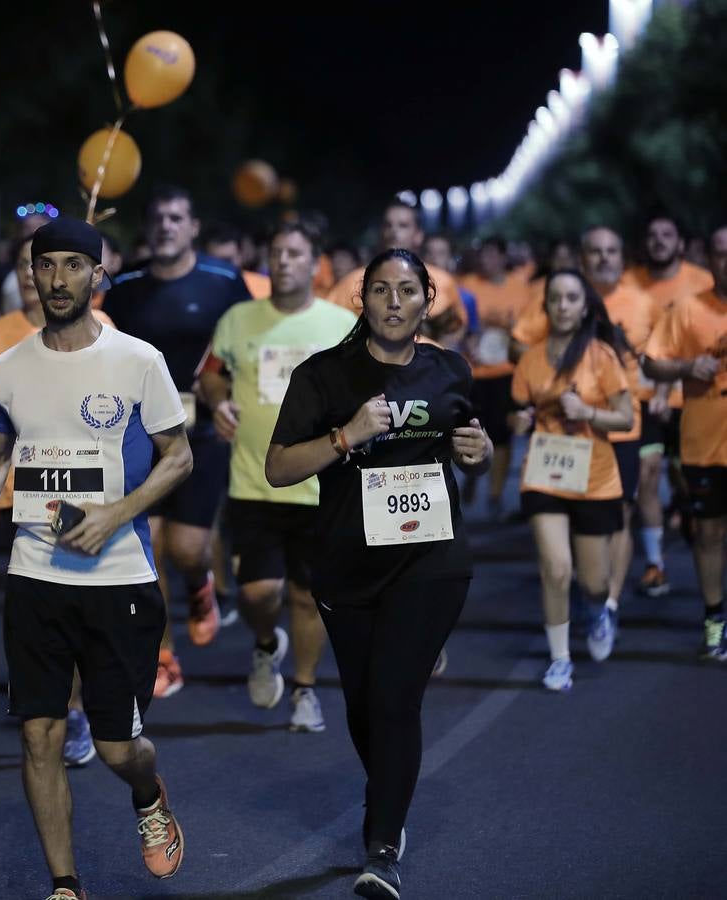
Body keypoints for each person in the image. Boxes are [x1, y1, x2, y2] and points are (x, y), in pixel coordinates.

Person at [0, 218, 190, 900]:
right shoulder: (9, 367)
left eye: (71, 266)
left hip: (119, 578)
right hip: (34, 575)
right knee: (39, 736)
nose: (56, 278)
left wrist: (117, 514)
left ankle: (148, 795)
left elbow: (180, 456)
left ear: (97, 275)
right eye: (45, 265)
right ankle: (64, 885)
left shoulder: (138, 361)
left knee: (119, 748)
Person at [267, 248, 489, 900]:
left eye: (408, 290)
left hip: (431, 559)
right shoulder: (324, 376)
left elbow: (468, 440)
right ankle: (388, 791)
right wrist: (346, 437)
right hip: (345, 561)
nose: (395, 302)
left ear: (428, 301)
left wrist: (479, 451)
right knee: (366, 706)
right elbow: (278, 468)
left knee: (395, 698)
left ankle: (382, 845)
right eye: (381, 290)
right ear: (361, 301)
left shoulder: (449, 368)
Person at [199, 221, 357, 730]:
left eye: (295, 253)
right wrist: (219, 403)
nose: (284, 261)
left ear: (315, 264)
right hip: (255, 480)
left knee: (307, 595)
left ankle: (305, 690)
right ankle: (267, 644)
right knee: (256, 594)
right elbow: (210, 374)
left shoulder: (340, 324)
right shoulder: (239, 318)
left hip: (320, 484)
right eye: (276, 252)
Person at [101, 186, 251, 698]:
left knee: (188, 549)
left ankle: (201, 585)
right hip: (140, 435)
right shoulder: (123, 287)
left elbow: (246, 345)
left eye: (177, 217)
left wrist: (233, 396)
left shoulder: (223, 281)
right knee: (150, 549)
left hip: (203, 432)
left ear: (192, 227)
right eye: (159, 217)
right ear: (149, 227)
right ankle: (164, 655)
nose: (167, 225)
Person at [513, 228, 657, 617]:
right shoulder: (557, 294)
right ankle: (577, 579)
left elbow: (658, 356)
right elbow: (519, 342)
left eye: (612, 251)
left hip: (621, 424)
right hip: (561, 435)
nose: (604, 258)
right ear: (582, 256)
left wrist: (664, 385)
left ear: (622, 255)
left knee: (621, 514)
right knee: (568, 520)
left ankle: (607, 599)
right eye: (595, 251)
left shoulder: (643, 300)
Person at [512, 269, 635, 690]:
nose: (563, 306)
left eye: (571, 299)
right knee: (556, 568)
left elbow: (626, 417)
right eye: (555, 298)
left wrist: (589, 413)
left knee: (593, 582)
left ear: (584, 308)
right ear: (544, 306)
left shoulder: (601, 355)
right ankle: (560, 658)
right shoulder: (530, 358)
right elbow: (515, 412)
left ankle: (599, 609)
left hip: (595, 478)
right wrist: (520, 419)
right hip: (545, 474)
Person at [643, 224, 727, 659]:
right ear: (708, 259)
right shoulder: (687, 310)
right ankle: (714, 619)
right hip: (705, 443)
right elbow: (651, 363)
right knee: (709, 534)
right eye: (720, 252)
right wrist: (685, 367)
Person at [457, 237, 529, 518]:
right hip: (474, 371)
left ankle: (496, 493)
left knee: (501, 434)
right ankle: (473, 474)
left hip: (505, 372)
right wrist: (468, 341)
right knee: (471, 429)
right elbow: (458, 324)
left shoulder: (519, 288)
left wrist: (512, 329)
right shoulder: (467, 286)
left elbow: (529, 329)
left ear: (502, 257)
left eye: (490, 255)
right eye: (481, 255)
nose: (485, 261)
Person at [324, 202, 466, 345]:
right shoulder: (353, 281)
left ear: (418, 235)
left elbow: (454, 329)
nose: (393, 231)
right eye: (388, 225)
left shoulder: (442, 280)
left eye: (403, 225)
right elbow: (330, 327)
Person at [626, 213, 714, 307]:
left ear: (681, 244)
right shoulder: (626, 283)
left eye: (667, 235)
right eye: (652, 235)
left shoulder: (705, 283)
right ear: (645, 244)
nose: (659, 240)